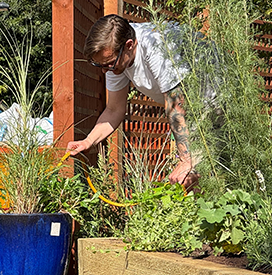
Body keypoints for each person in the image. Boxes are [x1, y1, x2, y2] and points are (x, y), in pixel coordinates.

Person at [64, 14, 217, 189]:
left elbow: (175, 104)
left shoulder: (157, 44)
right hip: (194, 109)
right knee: (190, 181)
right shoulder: (118, 59)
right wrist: (88, 141)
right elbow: (114, 109)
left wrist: (187, 160)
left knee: (210, 174)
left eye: (109, 64)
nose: (106, 71)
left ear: (129, 45)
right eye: (100, 66)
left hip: (219, 99)